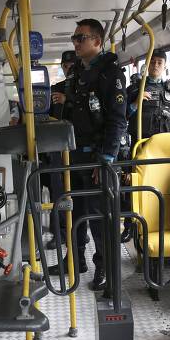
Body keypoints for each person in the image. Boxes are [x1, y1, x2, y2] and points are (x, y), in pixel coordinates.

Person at [47, 19, 128, 291]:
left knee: (99, 216)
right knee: (76, 212)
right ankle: (76, 259)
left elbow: (117, 120)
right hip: (75, 155)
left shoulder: (111, 74)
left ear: (96, 40)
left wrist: (105, 159)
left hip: (97, 158)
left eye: (80, 38)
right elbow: (75, 110)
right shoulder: (79, 74)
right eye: (74, 38)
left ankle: (105, 268)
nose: (75, 42)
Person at [44, 50, 78, 250]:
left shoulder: (85, 90)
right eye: (66, 66)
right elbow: (44, 116)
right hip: (58, 149)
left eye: (72, 65)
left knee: (79, 195)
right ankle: (60, 234)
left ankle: (78, 232)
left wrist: (69, 101)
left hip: (79, 149)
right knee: (59, 194)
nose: (69, 69)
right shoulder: (54, 90)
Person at [126, 51, 170, 142]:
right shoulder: (135, 88)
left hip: (165, 142)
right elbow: (123, 115)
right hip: (140, 142)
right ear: (147, 65)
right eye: (152, 62)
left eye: (159, 62)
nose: (155, 65)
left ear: (165, 67)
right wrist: (136, 103)